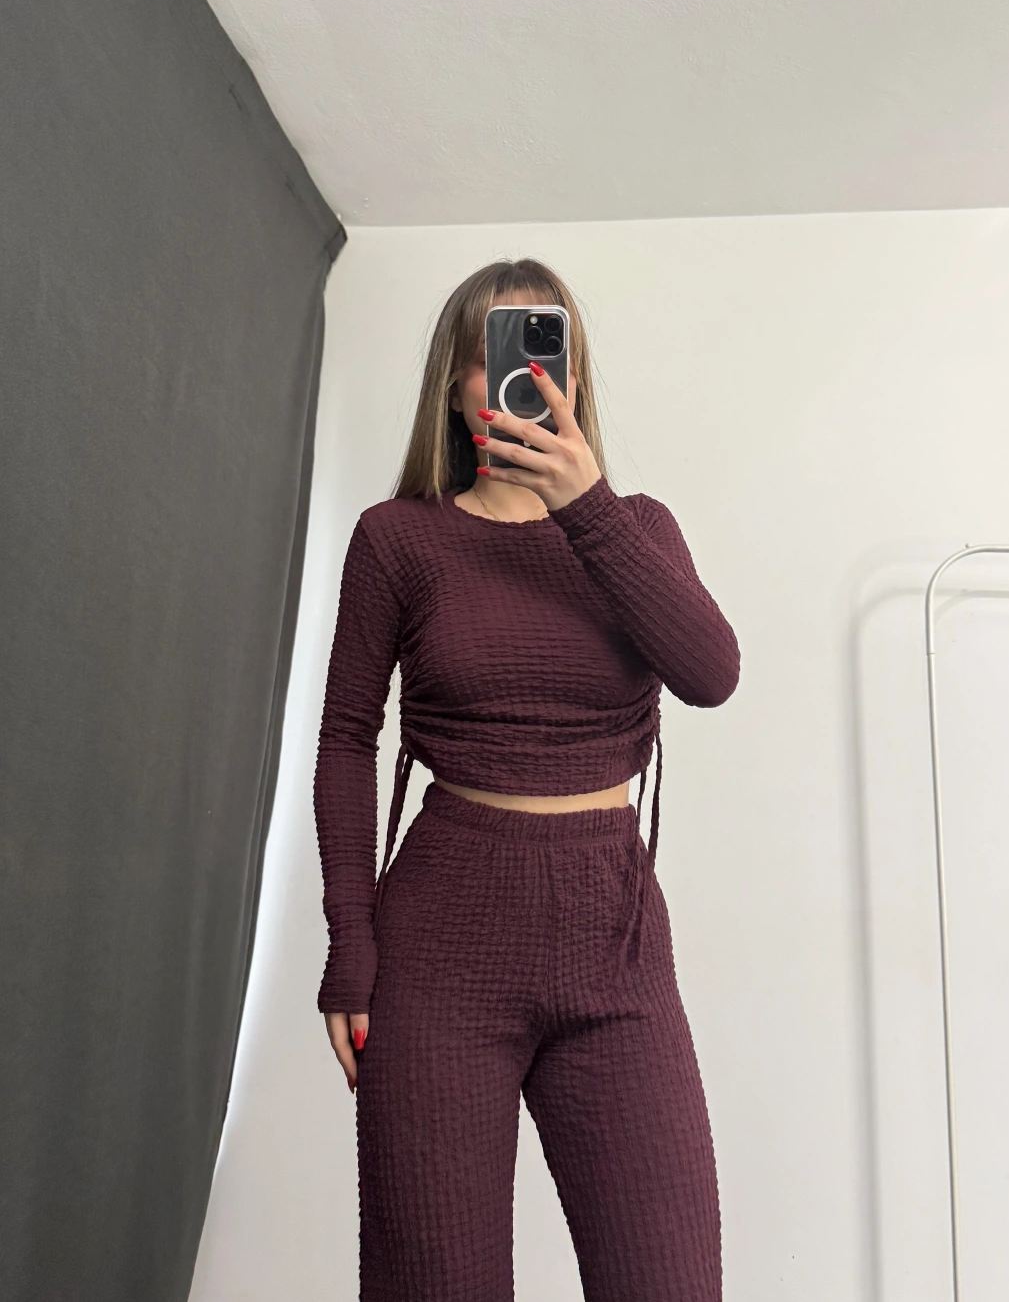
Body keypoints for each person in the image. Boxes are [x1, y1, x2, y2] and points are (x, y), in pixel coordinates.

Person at [313, 257, 741, 1301]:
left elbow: (712, 674)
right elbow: (345, 740)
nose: (523, 379)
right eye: (492, 356)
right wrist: (349, 947)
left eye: (548, 354)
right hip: (441, 947)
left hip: (613, 941)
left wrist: (584, 505)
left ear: (574, 380)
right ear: (457, 386)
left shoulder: (638, 528)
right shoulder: (399, 539)